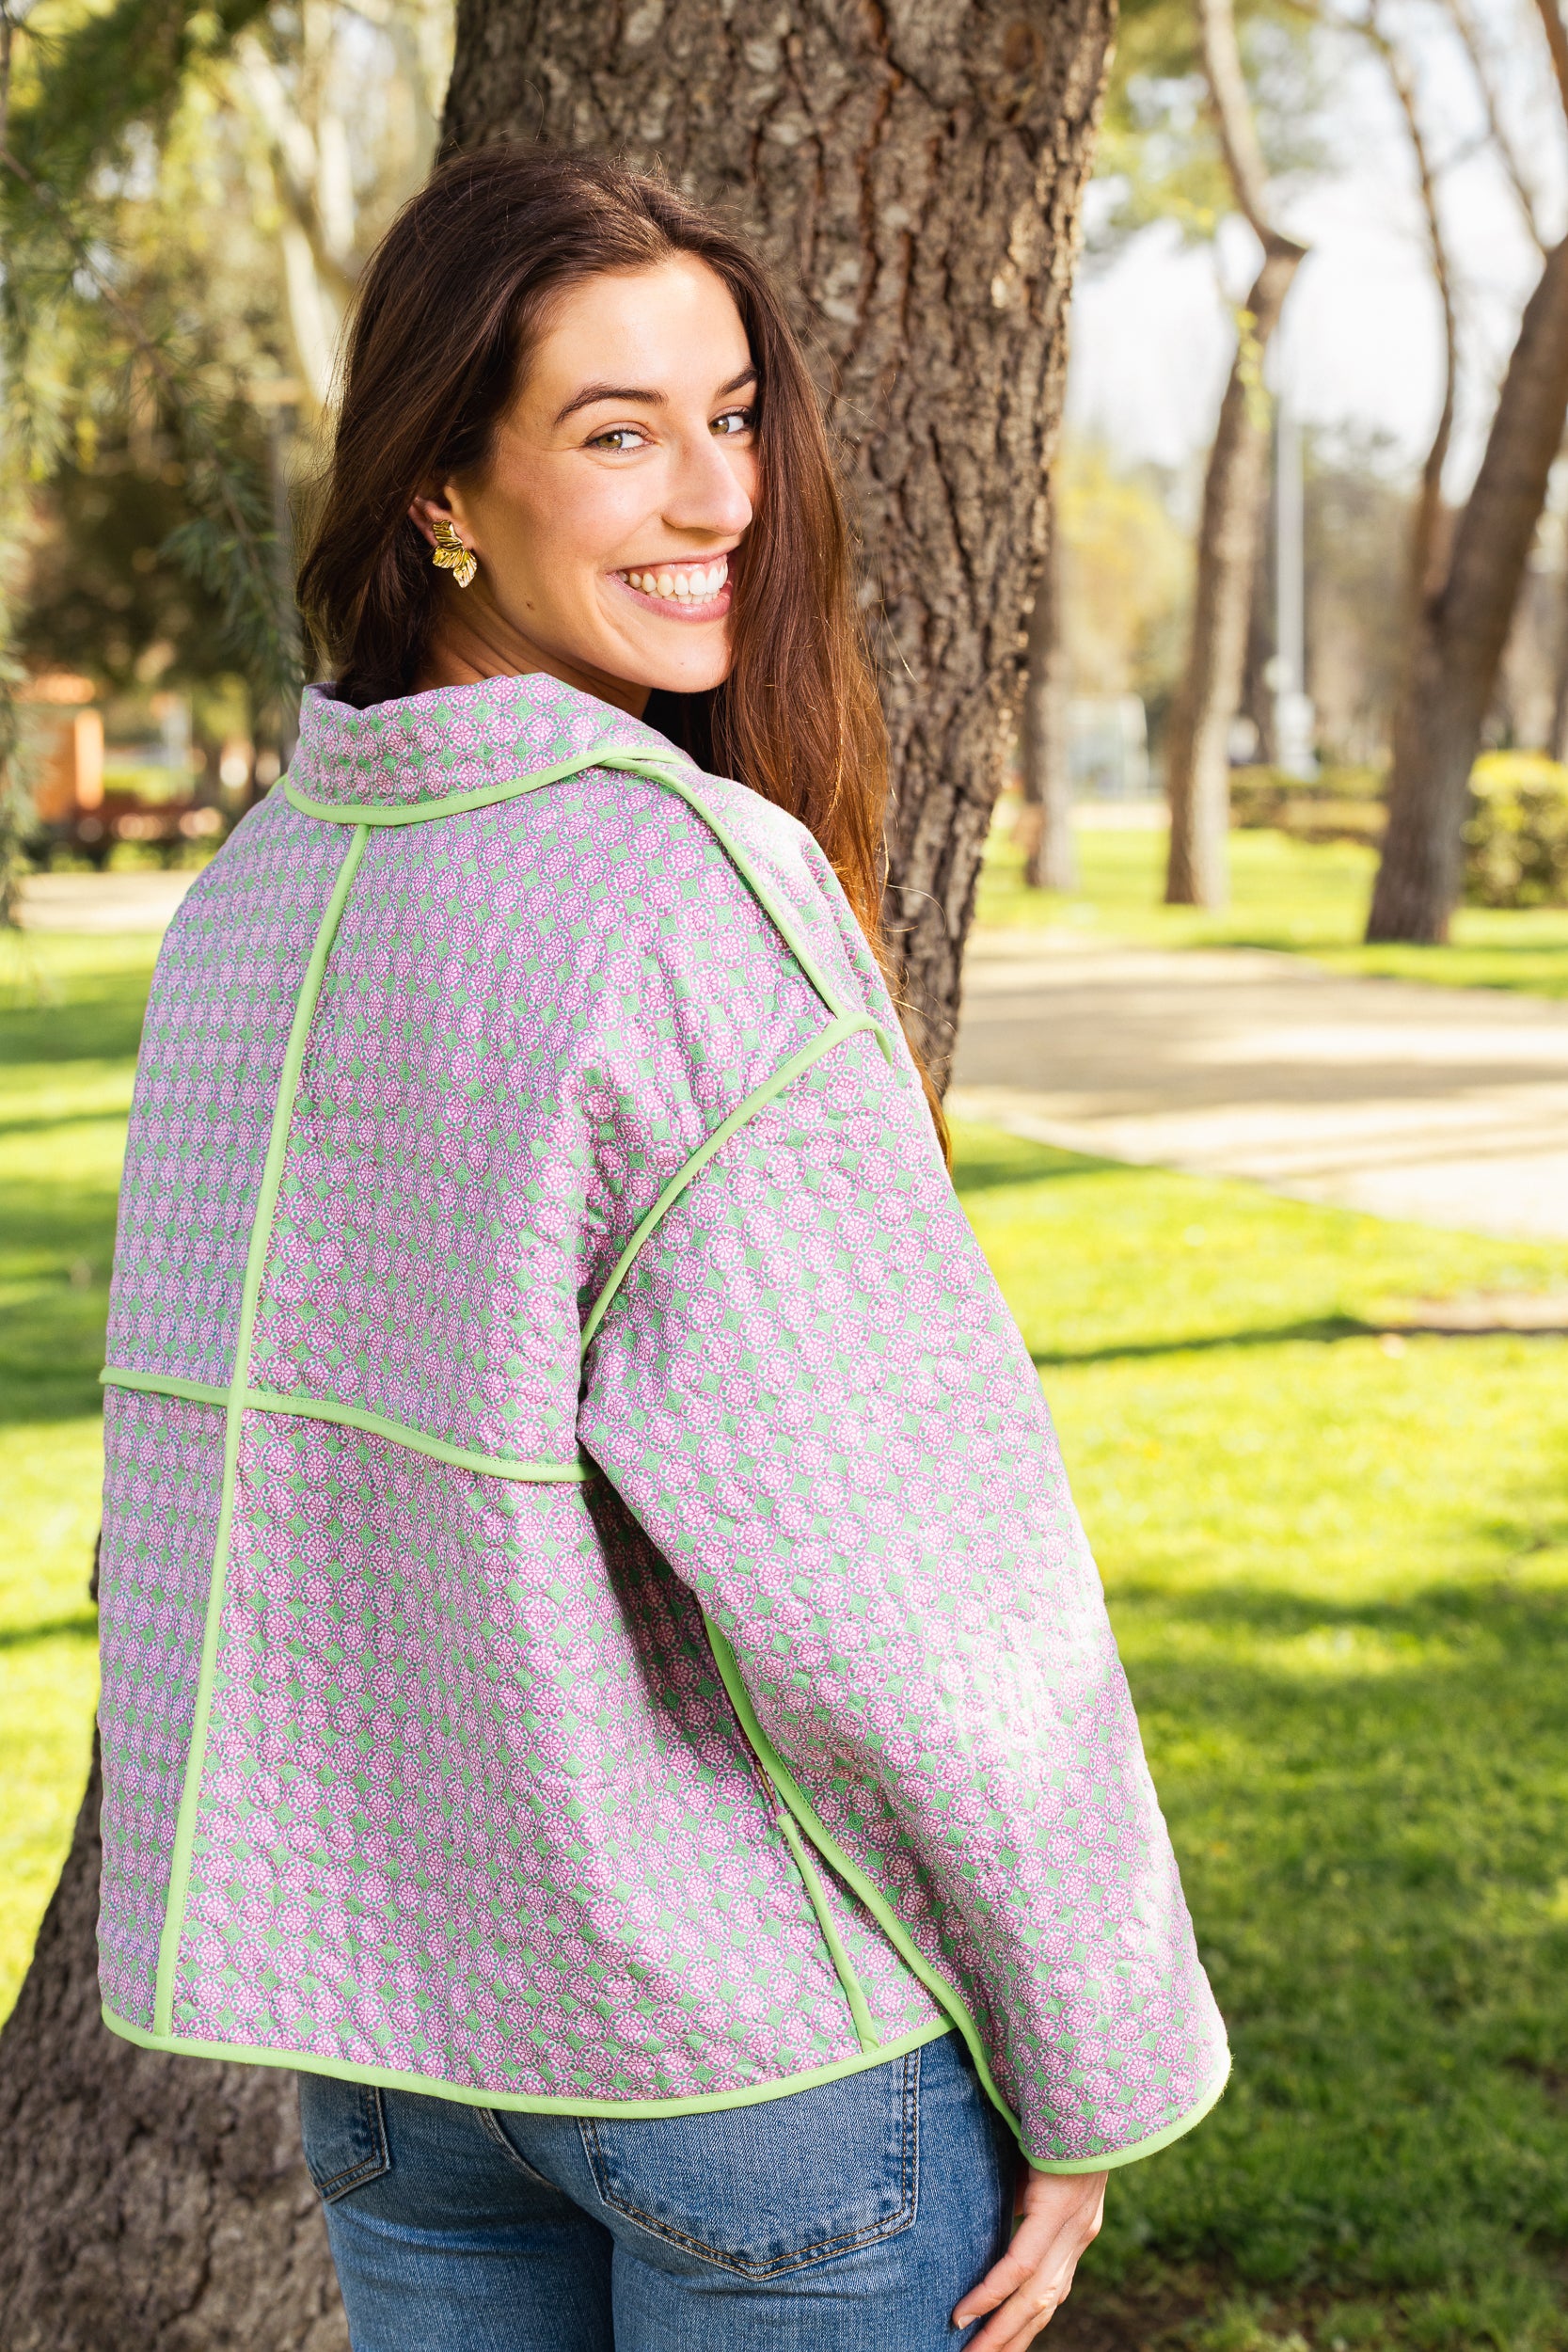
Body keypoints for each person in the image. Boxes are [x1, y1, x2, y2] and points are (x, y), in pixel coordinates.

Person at [95, 146, 1228, 2352]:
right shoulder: (682, 894)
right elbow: (911, 1571)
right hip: (740, 2057)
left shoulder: (248, 900)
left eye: (733, 416)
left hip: (397, 2050)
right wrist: (1093, 2049)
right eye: (619, 433)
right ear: (442, 489)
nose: (718, 495)